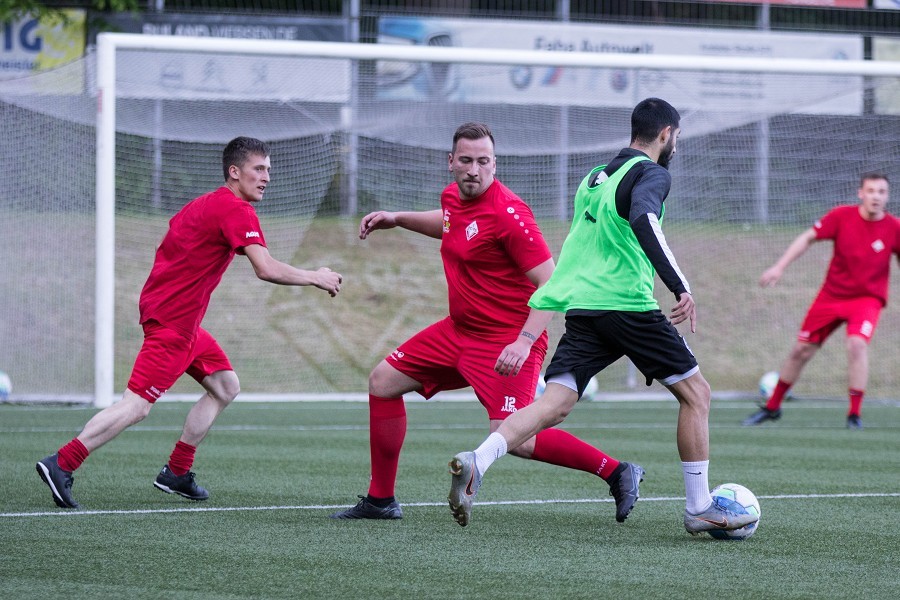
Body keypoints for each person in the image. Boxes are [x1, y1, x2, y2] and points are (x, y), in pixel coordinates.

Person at [447, 99, 759, 536]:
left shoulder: (595, 177)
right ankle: (699, 507)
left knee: (554, 405)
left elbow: (575, 247)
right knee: (697, 395)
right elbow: (645, 219)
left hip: (585, 309)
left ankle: (479, 460)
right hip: (629, 306)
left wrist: (555, 299)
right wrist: (680, 285)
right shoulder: (653, 173)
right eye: (677, 139)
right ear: (666, 134)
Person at [330, 122, 644, 523]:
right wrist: (398, 218)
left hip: (506, 340)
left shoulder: (509, 213)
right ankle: (380, 500)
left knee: (515, 440)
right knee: (382, 382)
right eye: (466, 160)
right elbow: (448, 222)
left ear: (495, 165)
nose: (473, 169)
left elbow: (553, 282)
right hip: (457, 332)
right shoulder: (452, 198)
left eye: (483, 161)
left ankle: (617, 471)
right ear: (451, 163)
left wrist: (525, 341)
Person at [36, 137, 343, 509]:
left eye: (269, 170)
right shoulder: (237, 210)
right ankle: (62, 463)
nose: (266, 178)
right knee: (137, 406)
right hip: (174, 324)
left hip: (179, 321)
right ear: (235, 172)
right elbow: (266, 268)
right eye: (258, 169)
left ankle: (177, 472)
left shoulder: (204, 203)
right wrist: (315, 276)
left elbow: (170, 249)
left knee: (226, 386)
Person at [743, 172, 900, 430]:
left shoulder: (894, 228)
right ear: (861, 193)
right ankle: (772, 407)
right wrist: (778, 267)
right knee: (800, 350)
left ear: (887, 196)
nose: (876, 196)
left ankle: (854, 415)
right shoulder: (841, 216)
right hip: (831, 296)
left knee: (857, 345)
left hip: (867, 300)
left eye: (881, 192)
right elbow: (807, 237)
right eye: (871, 191)